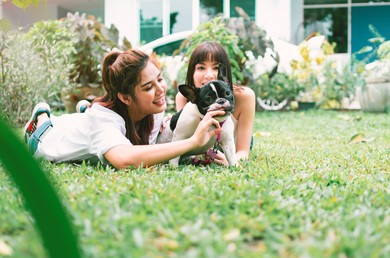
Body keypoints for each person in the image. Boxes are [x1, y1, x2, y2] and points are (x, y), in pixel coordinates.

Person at [23, 49, 224, 169]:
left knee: (93, 120)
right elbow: (124, 159)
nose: (160, 90)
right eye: (148, 87)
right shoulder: (103, 118)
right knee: (57, 129)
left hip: (93, 123)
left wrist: (201, 152)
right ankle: (41, 115)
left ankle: (84, 110)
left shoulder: (154, 108)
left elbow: (149, 149)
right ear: (125, 98)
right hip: (47, 136)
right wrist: (192, 143)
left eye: (160, 79)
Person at [176, 42, 255, 165]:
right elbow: (185, 142)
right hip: (207, 146)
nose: (209, 75)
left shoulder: (244, 96)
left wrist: (231, 160)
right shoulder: (184, 98)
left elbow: (243, 152)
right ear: (192, 72)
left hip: (233, 141)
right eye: (201, 68)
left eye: (216, 68)